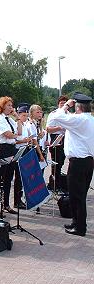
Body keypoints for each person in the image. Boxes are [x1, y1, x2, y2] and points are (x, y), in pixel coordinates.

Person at [51, 92, 94, 237]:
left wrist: (66, 105)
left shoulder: (79, 119)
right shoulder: (90, 119)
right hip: (87, 162)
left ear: (78, 107)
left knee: (77, 196)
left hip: (78, 163)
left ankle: (80, 227)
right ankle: (76, 222)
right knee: (78, 195)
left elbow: (55, 117)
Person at [0, 96, 20, 217]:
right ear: (2, 106)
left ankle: (6, 204)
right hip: (2, 149)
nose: (11, 107)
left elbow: (20, 132)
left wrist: (17, 118)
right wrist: (15, 135)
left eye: (11, 105)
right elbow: (8, 135)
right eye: (8, 105)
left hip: (11, 149)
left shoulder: (9, 119)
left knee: (8, 178)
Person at [46, 95, 68, 191]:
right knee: (56, 164)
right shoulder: (53, 114)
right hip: (56, 139)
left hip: (67, 139)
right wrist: (60, 128)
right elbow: (48, 129)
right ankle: (53, 185)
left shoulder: (69, 115)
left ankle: (58, 183)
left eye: (65, 103)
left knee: (62, 162)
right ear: (58, 104)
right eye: (61, 103)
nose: (63, 105)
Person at [13, 103, 32, 209]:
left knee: (22, 177)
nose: (25, 117)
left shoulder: (25, 125)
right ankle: (16, 200)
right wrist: (23, 141)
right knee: (18, 178)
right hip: (18, 151)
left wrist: (27, 141)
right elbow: (14, 140)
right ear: (19, 115)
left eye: (26, 115)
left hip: (24, 150)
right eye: (23, 115)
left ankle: (19, 199)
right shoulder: (17, 124)